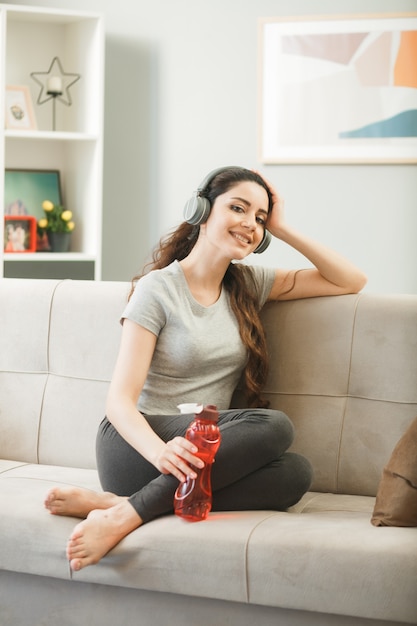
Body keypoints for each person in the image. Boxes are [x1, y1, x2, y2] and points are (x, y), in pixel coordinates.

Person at [45, 166, 367, 572]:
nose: (250, 224)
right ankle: (127, 516)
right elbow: (119, 402)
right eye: (238, 208)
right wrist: (161, 452)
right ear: (201, 210)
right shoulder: (158, 289)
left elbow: (351, 280)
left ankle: (125, 505)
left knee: (294, 474)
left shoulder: (250, 284)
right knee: (274, 426)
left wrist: (282, 228)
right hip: (138, 446)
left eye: (260, 218)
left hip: (199, 453)